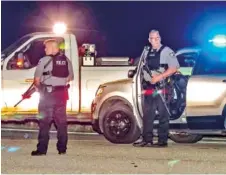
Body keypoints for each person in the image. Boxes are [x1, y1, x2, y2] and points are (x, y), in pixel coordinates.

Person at [133, 30, 180, 147]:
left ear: (160, 38)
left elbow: (174, 68)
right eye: (152, 38)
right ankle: (146, 139)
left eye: (157, 38)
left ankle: (162, 141)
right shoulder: (146, 52)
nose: (155, 40)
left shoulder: (167, 51)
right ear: (149, 40)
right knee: (148, 114)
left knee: (163, 115)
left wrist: (159, 77)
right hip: (150, 87)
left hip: (162, 87)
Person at [31, 39, 74, 156]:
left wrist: (40, 88)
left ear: (52, 48)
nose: (45, 50)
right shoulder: (66, 60)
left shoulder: (43, 60)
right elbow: (70, 77)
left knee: (45, 123)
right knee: (61, 123)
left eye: (46, 47)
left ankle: (41, 150)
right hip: (62, 95)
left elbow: (36, 80)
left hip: (48, 95)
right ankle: (62, 149)